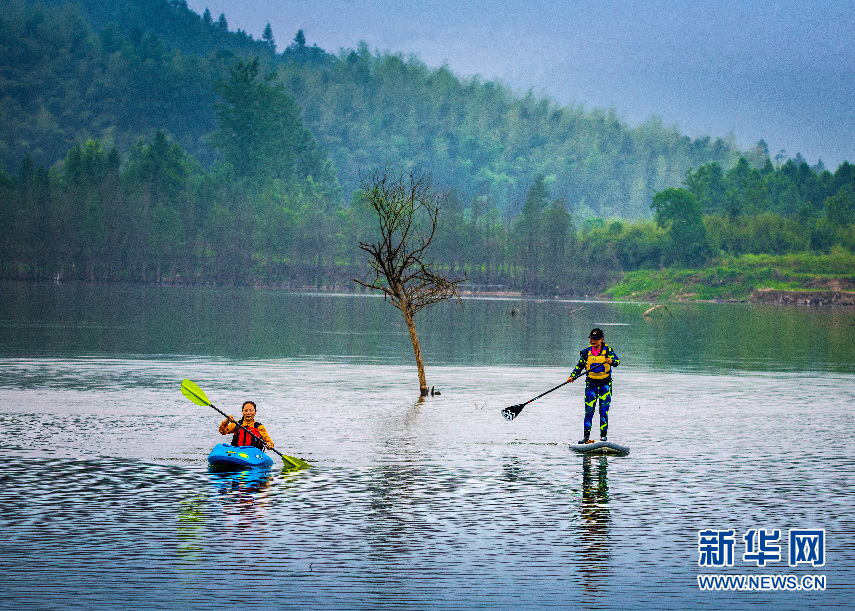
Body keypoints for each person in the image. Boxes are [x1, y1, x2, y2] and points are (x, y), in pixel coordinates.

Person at [568, 328, 620, 443]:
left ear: (602, 339)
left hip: (605, 385)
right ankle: (586, 438)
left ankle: (603, 437)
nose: (593, 341)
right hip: (591, 385)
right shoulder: (586, 352)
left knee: (603, 410)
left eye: (595, 339)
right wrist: (572, 376)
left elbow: (617, 362)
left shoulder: (608, 351)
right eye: (591, 338)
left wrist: (611, 361)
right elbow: (579, 366)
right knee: (589, 411)